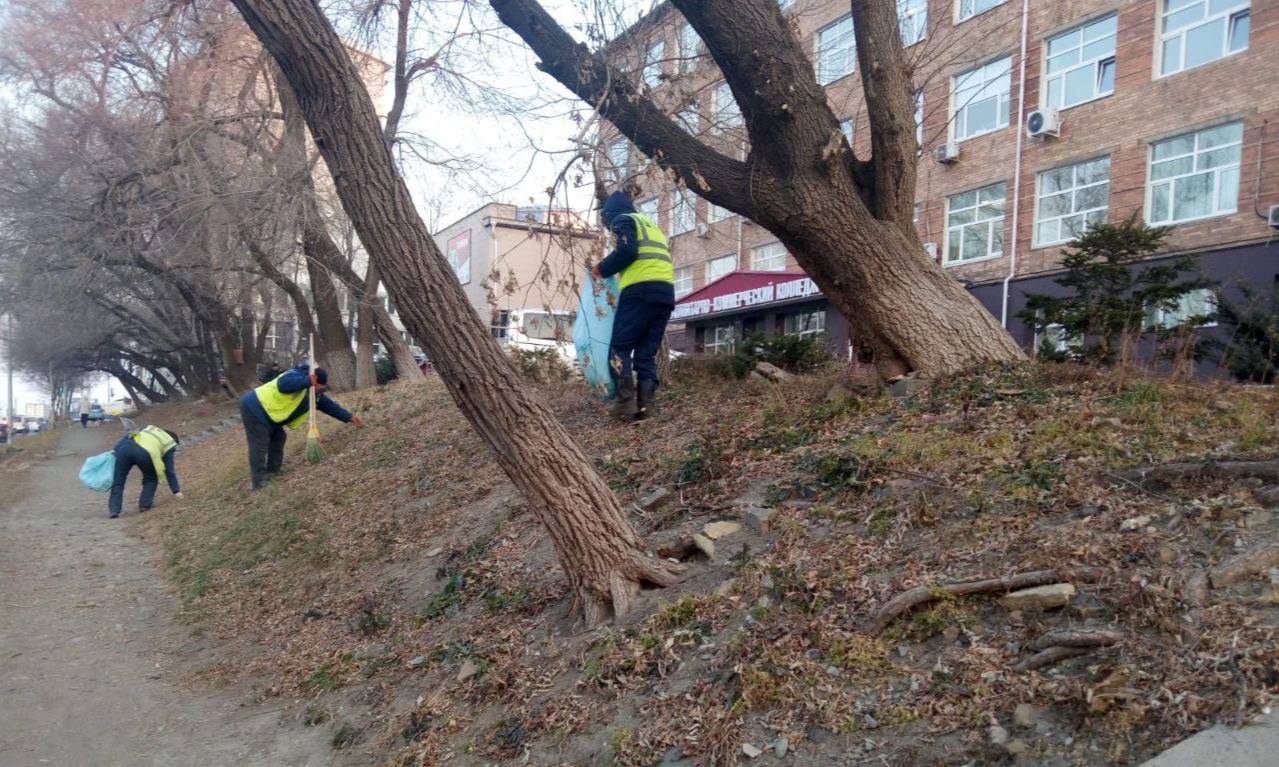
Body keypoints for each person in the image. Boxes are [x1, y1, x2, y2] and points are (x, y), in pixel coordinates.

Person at [592, 190, 675, 420]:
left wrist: (602, 268)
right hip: (665, 294)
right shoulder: (651, 226)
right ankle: (648, 407)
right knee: (646, 354)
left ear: (610, 216)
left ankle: (625, 404)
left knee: (619, 347)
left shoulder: (623, 219)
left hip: (640, 291)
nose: (610, 230)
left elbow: (627, 251)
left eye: (607, 224)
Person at [240, 365, 363, 490]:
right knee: (259, 444)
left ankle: (273, 471)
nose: (319, 391)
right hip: (254, 406)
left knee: (279, 437)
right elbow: (283, 384)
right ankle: (258, 483)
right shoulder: (296, 374)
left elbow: (330, 406)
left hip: (270, 413)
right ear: (314, 380)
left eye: (321, 389)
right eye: (318, 387)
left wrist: (349, 417)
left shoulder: (314, 394)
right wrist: (307, 381)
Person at [108, 425, 182, 519]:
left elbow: (129, 434)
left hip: (125, 448)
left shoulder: (150, 428)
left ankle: (114, 510)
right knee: (151, 478)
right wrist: (176, 491)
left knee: (118, 479)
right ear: (174, 441)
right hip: (144, 454)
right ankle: (145, 504)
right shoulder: (169, 443)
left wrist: (116, 450)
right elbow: (169, 470)